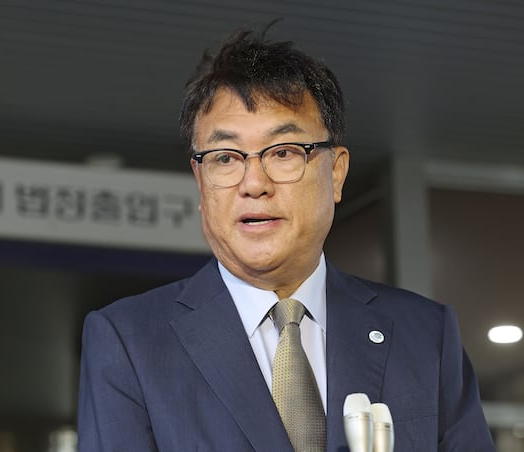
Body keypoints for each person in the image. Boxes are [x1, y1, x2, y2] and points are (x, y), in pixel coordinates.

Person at [77, 26, 495, 451]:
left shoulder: (425, 335)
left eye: (283, 152)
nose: (254, 184)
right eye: (225, 158)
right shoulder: (129, 342)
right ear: (200, 182)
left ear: (336, 173)